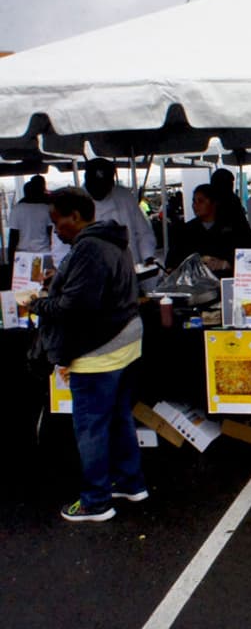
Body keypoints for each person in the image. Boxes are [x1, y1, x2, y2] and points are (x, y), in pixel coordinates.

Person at [18, 187, 147, 522]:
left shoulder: (88, 248)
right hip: (126, 340)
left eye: (56, 220)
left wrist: (35, 304)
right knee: (118, 416)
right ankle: (130, 482)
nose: (54, 229)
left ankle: (95, 501)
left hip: (99, 348)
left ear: (75, 216)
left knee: (91, 426)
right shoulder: (111, 240)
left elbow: (74, 306)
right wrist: (59, 278)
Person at [164, 184, 251, 275]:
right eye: (194, 201)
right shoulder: (184, 231)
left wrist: (226, 264)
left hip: (224, 283)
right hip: (194, 285)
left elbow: (249, 260)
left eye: (201, 201)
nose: (195, 205)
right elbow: (171, 262)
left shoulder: (234, 230)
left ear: (214, 203)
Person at [83, 158, 157, 266]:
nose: (99, 191)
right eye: (94, 186)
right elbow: (62, 249)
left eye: (103, 187)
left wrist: (148, 257)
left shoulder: (125, 197)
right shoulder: (75, 202)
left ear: (112, 184)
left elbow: (143, 232)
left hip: (129, 267)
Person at [7, 175, 51, 264]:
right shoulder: (47, 208)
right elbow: (50, 233)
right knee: (44, 277)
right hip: (44, 253)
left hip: (23, 255)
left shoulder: (17, 209)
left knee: (23, 278)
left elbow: (13, 236)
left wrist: (10, 258)